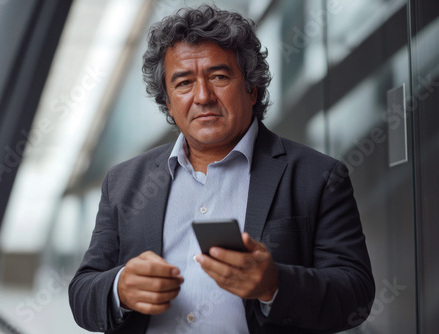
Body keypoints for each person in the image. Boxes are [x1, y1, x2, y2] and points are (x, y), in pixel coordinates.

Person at [69, 5, 375, 334]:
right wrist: (120, 289)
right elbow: (82, 292)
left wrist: (274, 284)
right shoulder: (123, 182)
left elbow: (355, 295)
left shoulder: (319, 178)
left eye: (219, 77)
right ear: (168, 102)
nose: (203, 96)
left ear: (252, 87)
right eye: (184, 83)